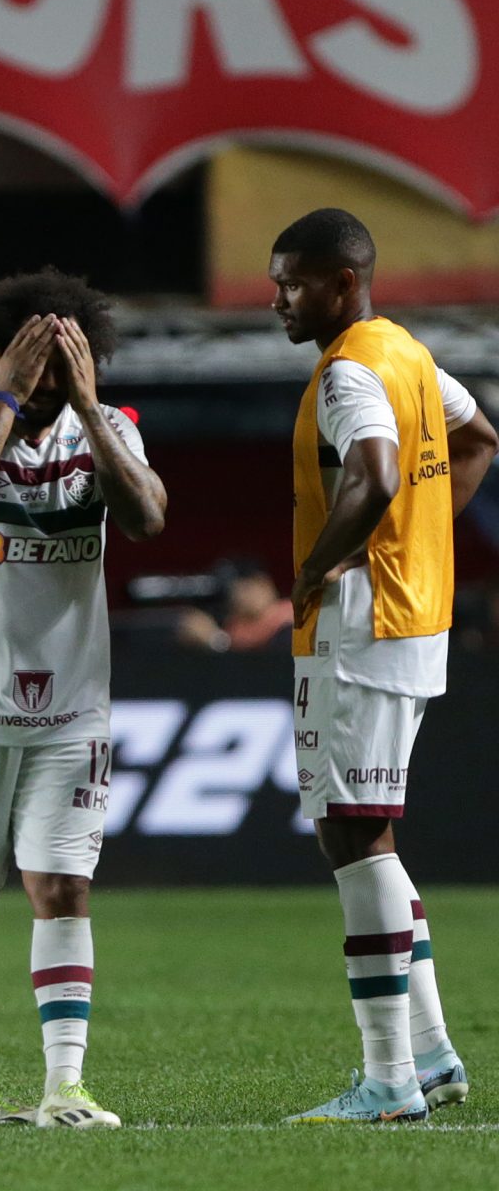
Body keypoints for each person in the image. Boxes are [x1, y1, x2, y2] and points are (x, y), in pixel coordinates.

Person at [0, 268, 167, 1128]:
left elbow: (149, 518)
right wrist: (5, 401)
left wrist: (88, 410)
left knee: (63, 889)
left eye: (63, 373)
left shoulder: (107, 427)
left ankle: (65, 1087)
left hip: (73, 709)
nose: (49, 388)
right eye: (33, 371)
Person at [270, 209, 497, 1123]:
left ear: (342, 284)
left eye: (293, 283)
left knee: (350, 834)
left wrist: (318, 565)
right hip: (415, 616)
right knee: (371, 836)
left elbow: (370, 473)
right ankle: (433, 1056)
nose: (279, 299)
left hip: (361, 625)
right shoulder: (407, 353)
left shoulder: (352, 370)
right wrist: (425, 540)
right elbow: (481, 438)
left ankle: (388, 1080)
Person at [173, 561, 294, 653]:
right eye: (232, 590)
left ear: (264, 583)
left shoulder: (291, 617)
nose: (239, 596)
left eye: (247, 587)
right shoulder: (235, 628)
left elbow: (272, 660)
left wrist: (215, 640)